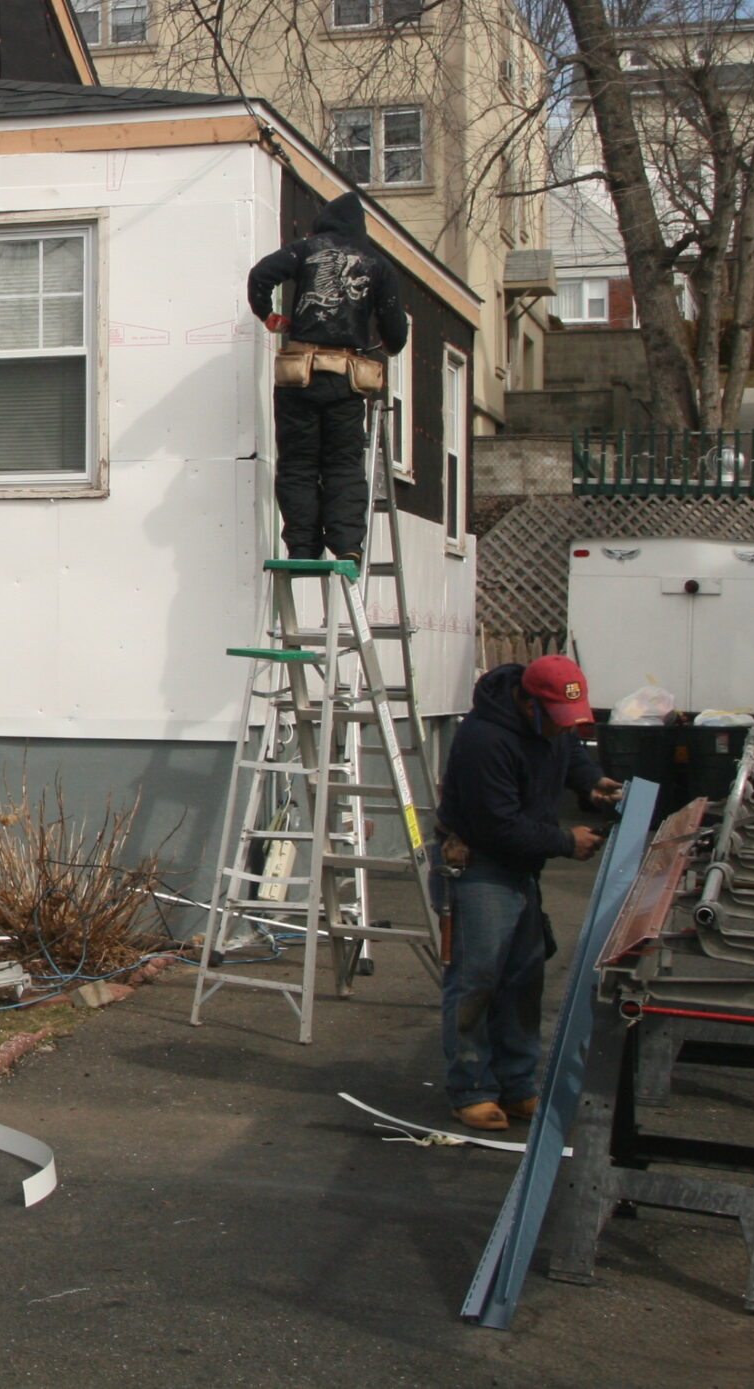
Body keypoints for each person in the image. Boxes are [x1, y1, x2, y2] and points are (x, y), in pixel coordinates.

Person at [435, 654, 625, 1132]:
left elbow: (568, 752)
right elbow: (496, 825)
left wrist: (591, 781)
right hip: (482, 867)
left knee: (523, 979)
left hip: (521, 870)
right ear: (525, 701)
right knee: (477, 979)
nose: (561, 730)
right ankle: (472, 1089)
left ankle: (518, 1085)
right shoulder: (484, 741)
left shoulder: (549, 726)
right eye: (554, 720)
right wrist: (566, 841)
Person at [245, 192, 410, 563]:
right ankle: (347, 544)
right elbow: (396, 335)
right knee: (342, 462)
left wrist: (267, 315)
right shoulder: (378, 265)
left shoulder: (305, 250)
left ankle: (303, 547)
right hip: (346, 379)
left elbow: (261, 276)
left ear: (323, 224)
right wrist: (383, 337)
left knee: (299, 463)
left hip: (298, 376)